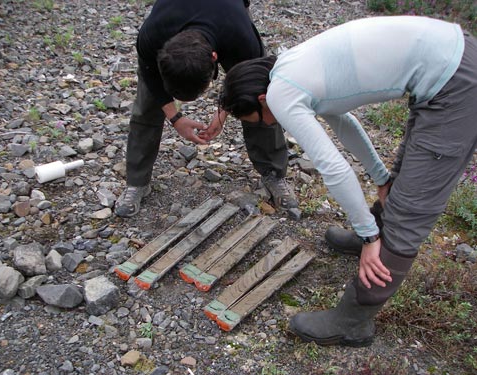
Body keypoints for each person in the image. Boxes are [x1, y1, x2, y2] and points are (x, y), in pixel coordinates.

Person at [219, 16, 477, 346]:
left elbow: (335, 168)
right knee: (404, 171)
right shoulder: (290, 67)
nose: (262, 125)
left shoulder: (281, 94)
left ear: (261, 101)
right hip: (448, 62)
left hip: (455, 82)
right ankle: (375, 237)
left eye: (254, 121)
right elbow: (346, 125)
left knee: (412, 206)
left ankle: (353, 320)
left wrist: (369, 236)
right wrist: (382, 178)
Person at [115, 0, 297, 218]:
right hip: (176, 14)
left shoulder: (241, 38)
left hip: (227, 11)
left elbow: (248, 85)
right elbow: (150, 75)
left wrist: (223, 113)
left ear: (214, 57)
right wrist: (175, 118)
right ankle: (137, 182)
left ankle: (273, 173)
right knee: (146, 105)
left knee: (258, 99)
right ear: (161, 55)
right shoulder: (152, 36)